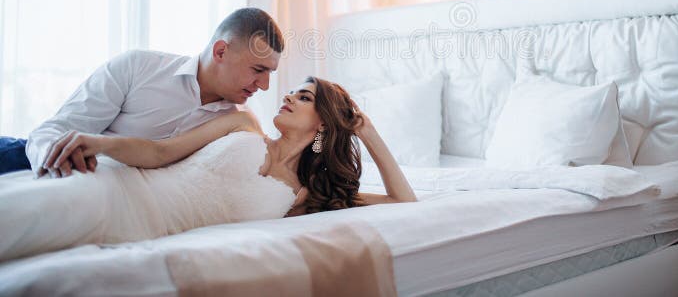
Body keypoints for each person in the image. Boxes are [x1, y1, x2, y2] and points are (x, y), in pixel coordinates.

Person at [0, 77, 415, 262]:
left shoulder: (306, 195)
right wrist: (102, 144)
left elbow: (402, 201)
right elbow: (161, 152)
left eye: (304, 96)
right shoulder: (242, 122)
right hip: (114, 187)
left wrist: (368, 130)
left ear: (323, 122)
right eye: (294, 90)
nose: (287, 94)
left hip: (135, 230)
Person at [0, 8, 283, 177]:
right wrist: (54, 160)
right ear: (221, 51)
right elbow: (54, 131)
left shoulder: (235, 127)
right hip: (22, 158)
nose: (265, 85)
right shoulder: (137, 66)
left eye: (270, 73)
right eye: (258, 70)